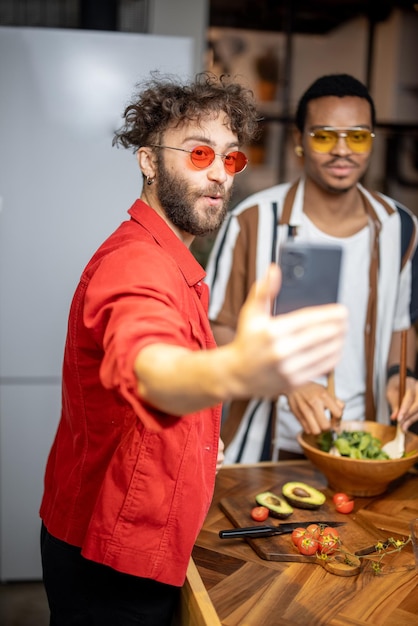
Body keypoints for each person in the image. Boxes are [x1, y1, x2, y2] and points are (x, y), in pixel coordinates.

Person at [39, 72, 348, 626]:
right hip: (108, 562)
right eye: (199, 152)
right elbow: (152, 366)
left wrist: (199, 441)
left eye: (231, 159)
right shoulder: (135, 265)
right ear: (149, 161)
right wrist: (234, 371)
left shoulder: (172, 261)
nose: (218, 175)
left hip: (116, 539)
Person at [206, 73, 418, 464]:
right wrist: (285, 379)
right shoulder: (253, 220)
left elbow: (400, 328)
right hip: (264, 446)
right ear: (298, 140)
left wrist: (397, 377)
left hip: (361, 448)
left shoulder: (400, 226)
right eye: (324, 136)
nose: (343, 150)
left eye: (357, 136)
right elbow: (216, 330)